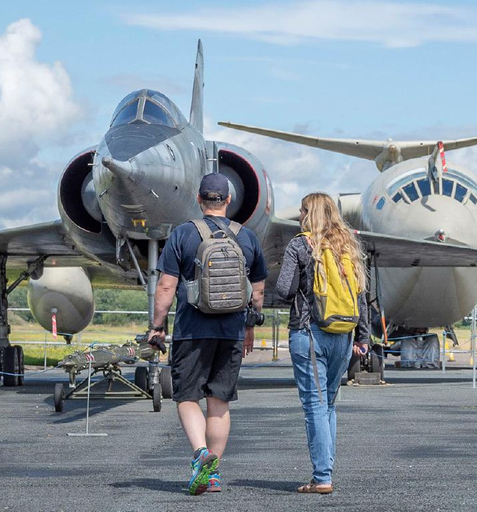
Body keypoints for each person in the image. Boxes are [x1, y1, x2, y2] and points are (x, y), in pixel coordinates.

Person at [148, 173, 267, 494]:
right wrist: (249, 327)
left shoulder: (183, 234)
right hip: (231, 331)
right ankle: (212, 474)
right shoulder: (247, 237)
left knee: (187, 397)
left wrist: (157, 326)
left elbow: (166, 286)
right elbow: (257, 291)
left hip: (191, 330)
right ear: (228, 200)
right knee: (219, 401)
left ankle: (201, 453)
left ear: (199, 200)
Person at [276, 192, 370, 494]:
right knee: (328, 404)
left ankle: (322, 476)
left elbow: (284, 290)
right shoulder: (348, 246)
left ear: (308, 213)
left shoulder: (300, 245)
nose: (299, 215)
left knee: (314, 406)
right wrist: (363, 337)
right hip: (343, 335)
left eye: (302, 210)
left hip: (309, 334)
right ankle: (325, 471)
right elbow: (361, 296)